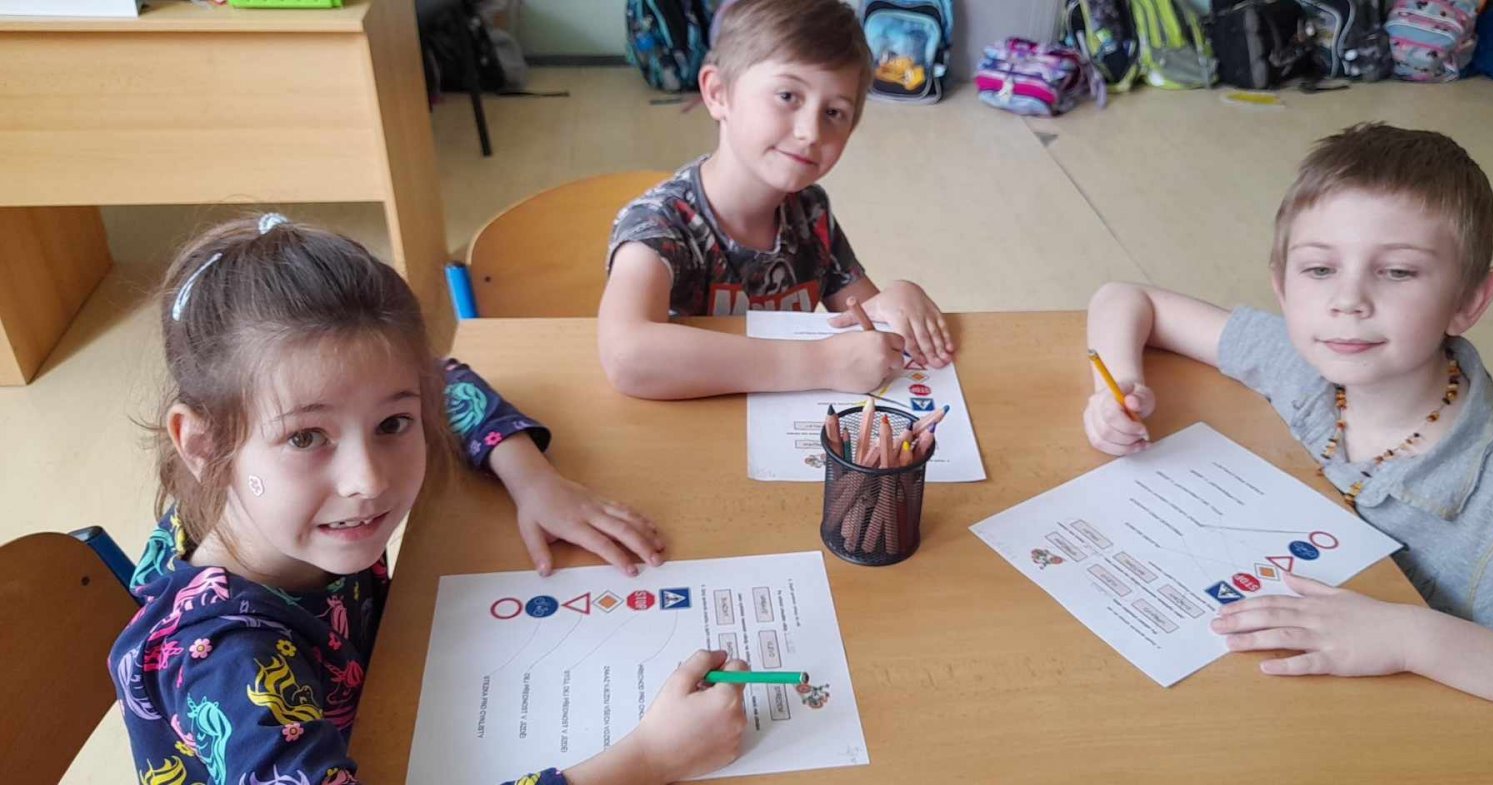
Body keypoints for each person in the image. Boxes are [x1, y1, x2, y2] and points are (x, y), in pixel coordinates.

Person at [111, 215, 748, 785]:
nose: (368, 480)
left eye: (392, 424)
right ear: (203, 444)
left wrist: (531, 477)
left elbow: (444, 378)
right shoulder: (226, 666)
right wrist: (648, 761)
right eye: (306, 437)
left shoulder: (271, 511)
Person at [1082, 123, 1493, 726]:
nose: (1348, 300)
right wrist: (1117, 388)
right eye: (1319, 269)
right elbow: (1126, 298)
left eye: (1398, 272)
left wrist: (1416, 638)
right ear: (1282, 285)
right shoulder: (1309, 366)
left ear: (1469, 302)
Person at [598, 0, 953, 400]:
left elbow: (862, 323)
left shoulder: (810, 209)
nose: (810, 132)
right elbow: (626, 355)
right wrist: (821, 364)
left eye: (834, 112)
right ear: (718, 93)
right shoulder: (659, 223)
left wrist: (895, 298)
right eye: (787, 95)